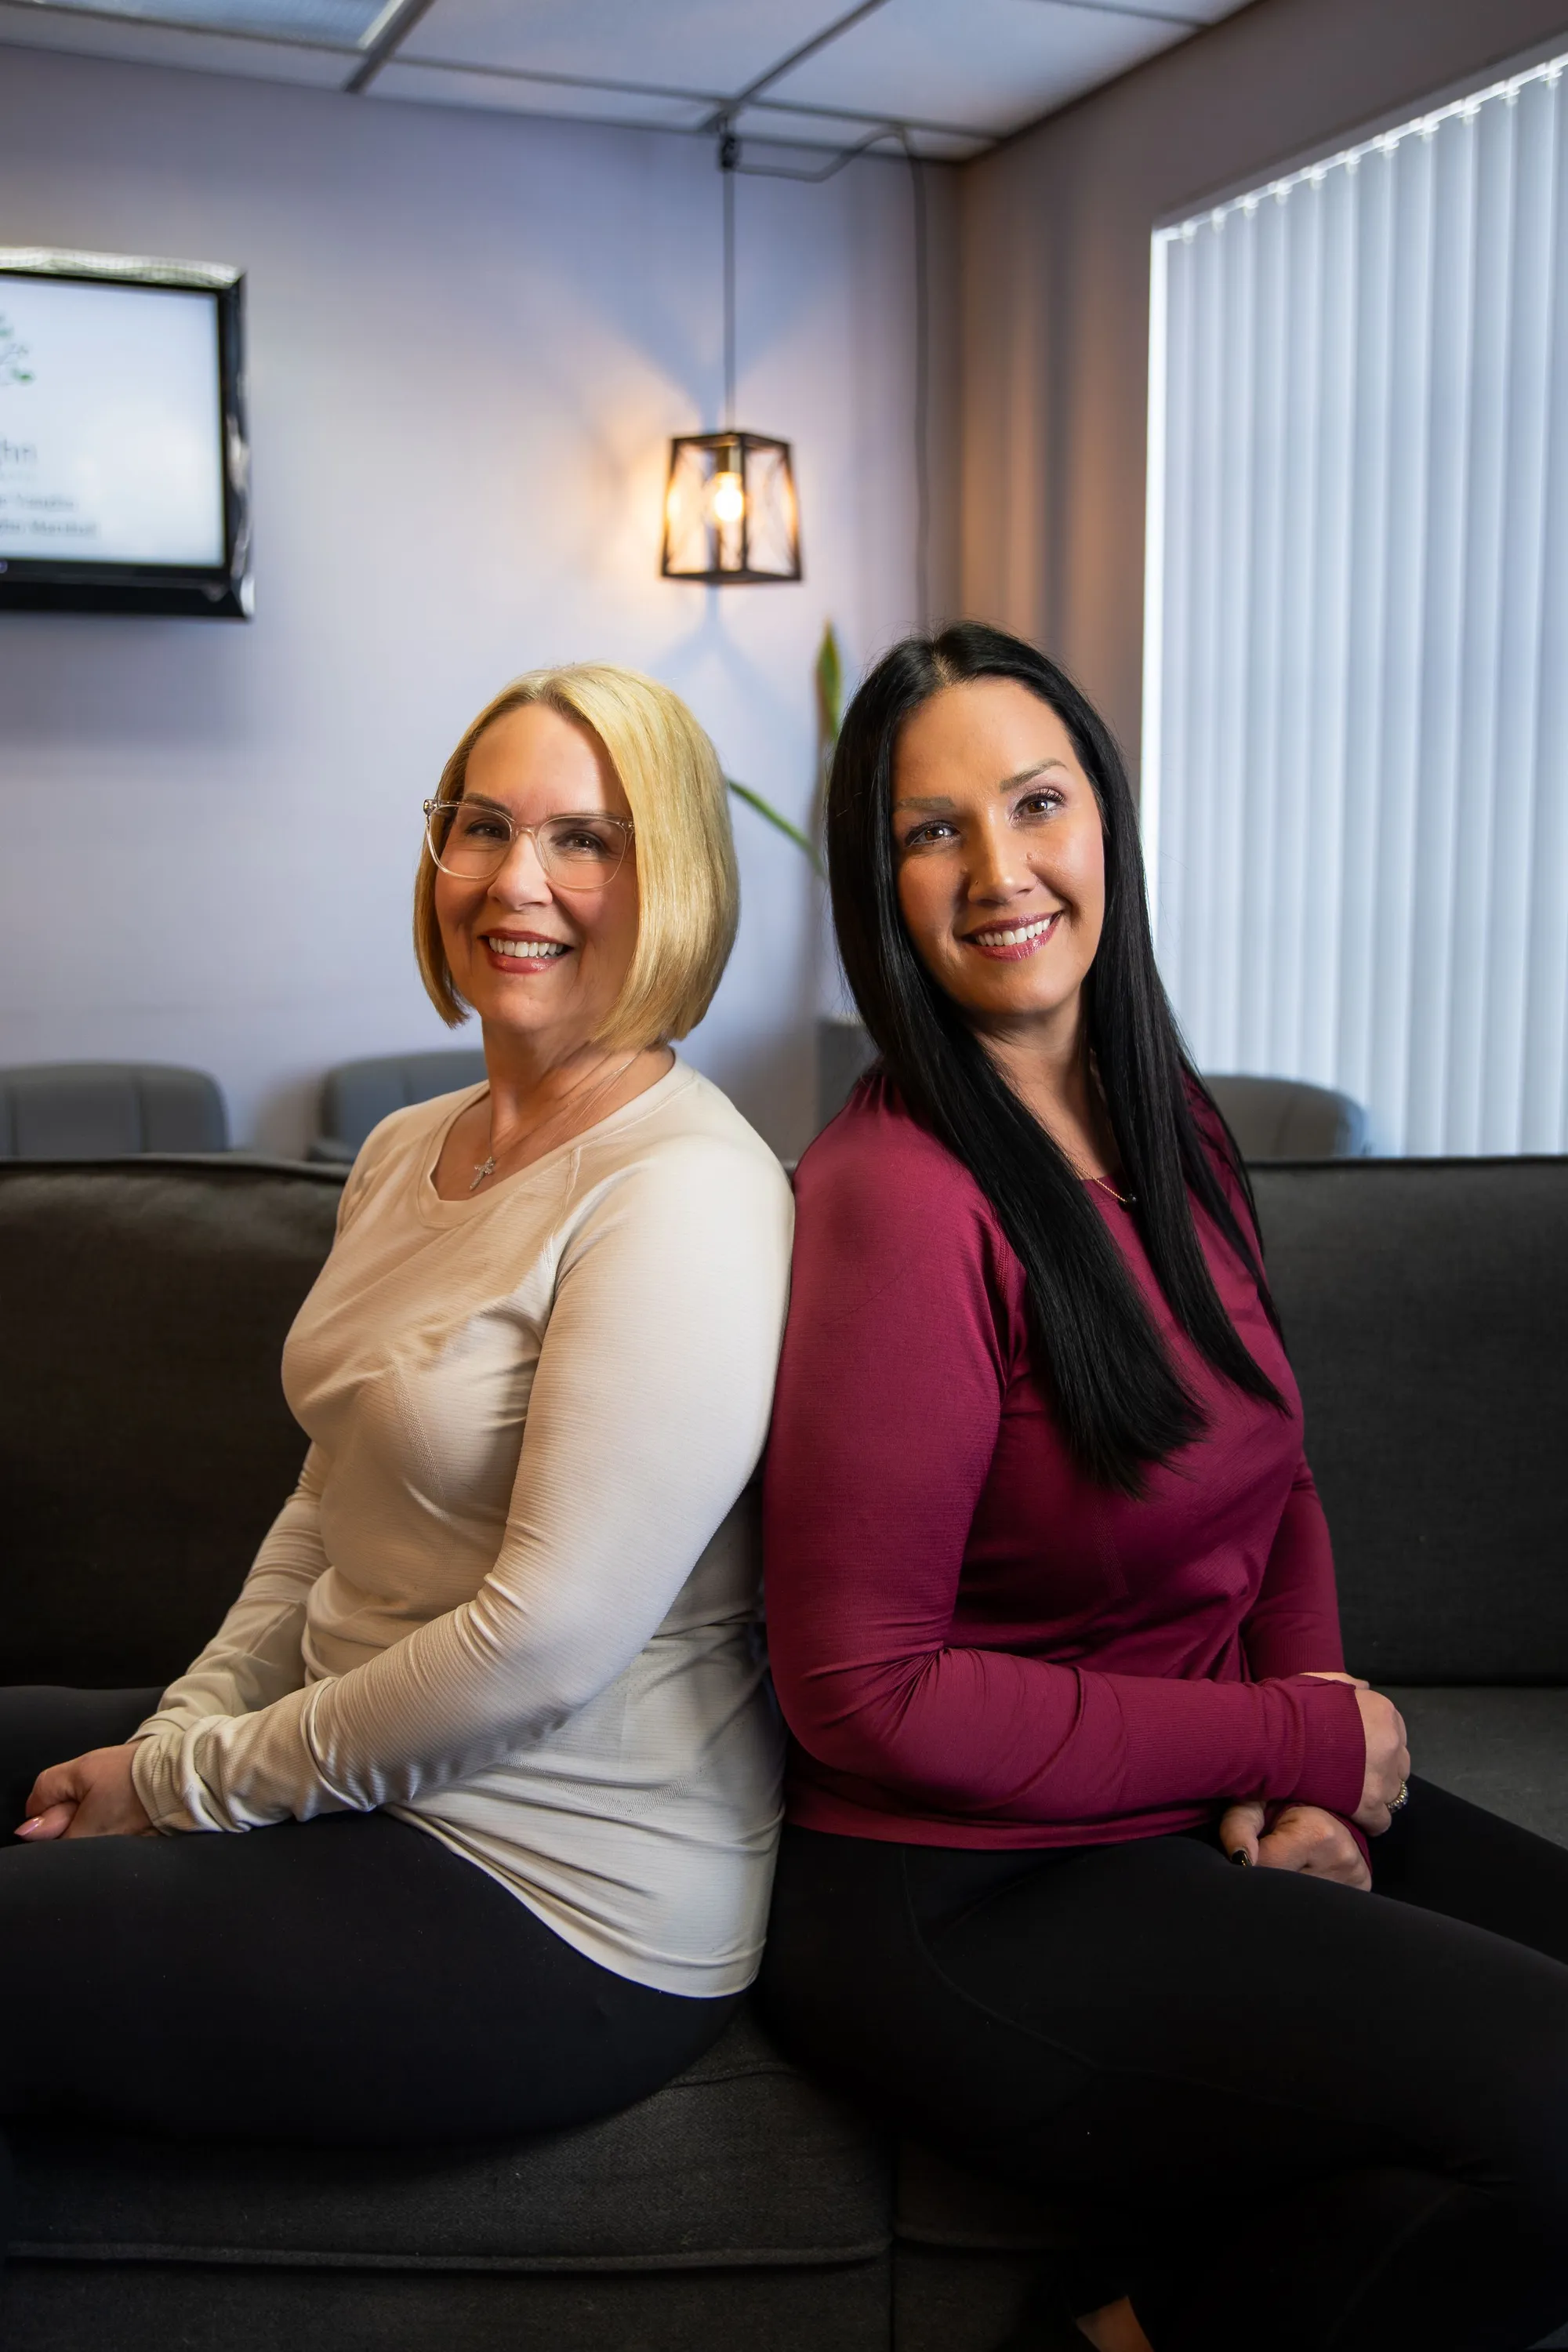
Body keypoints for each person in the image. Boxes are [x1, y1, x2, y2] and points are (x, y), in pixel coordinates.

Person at [757, 623, 1568, 2352]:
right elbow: (857, 1692)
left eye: (1035, 803)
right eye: (930, 831)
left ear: (1102, 822)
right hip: (960, 1894)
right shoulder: (894, 1200)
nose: (998, 871)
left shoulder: (1172, 1124)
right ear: (877, 887)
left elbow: (1272, 1486)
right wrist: (1295, 1744)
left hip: (1192, 1812)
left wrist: (1318, 1793)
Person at [0, 664, 793, 2192]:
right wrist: (183, 1729)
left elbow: (542, 1643)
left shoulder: (685, 1191)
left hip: (554, 1885)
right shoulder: (406, 1147)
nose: (516, 881)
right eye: (480, 826)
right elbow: (328, 1496)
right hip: (355, 1772)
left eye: (586, 839)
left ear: (674, 877)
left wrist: (181, 1790)